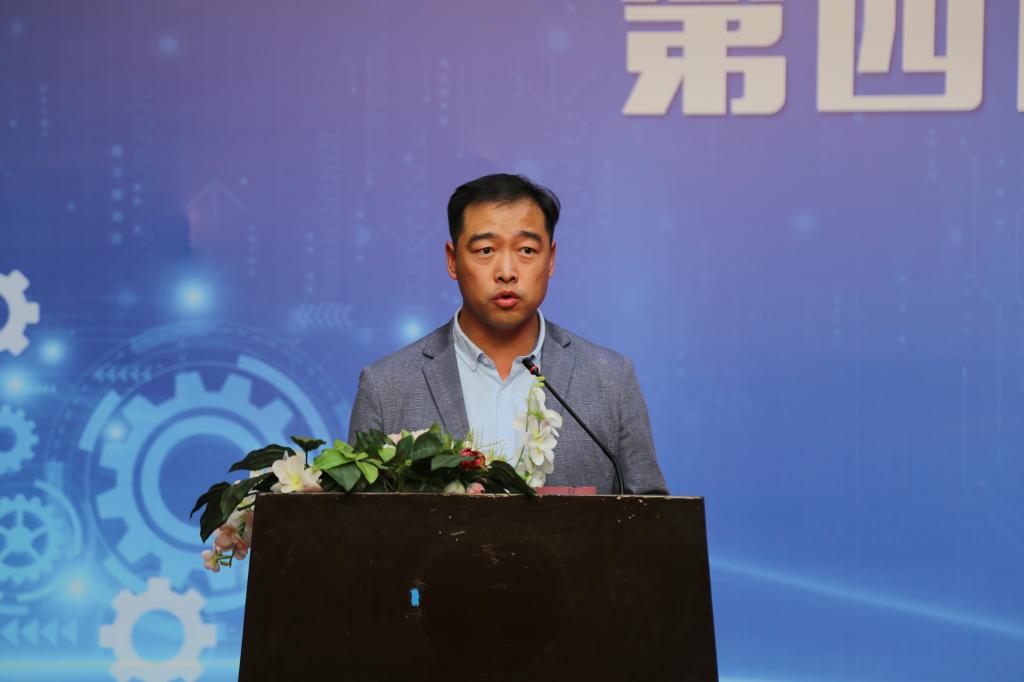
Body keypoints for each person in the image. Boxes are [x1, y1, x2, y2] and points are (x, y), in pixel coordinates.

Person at [348, 173, 667, 494]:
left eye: (526, 250)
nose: (506, 272)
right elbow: (361, 520)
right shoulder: (386, 388)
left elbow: (650, 515)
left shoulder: (611, 380)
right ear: (452, 260)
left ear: (551, 259)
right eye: (486, 250)